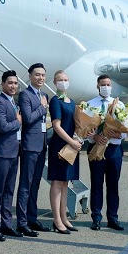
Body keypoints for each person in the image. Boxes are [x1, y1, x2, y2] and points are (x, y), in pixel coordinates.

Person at [86, 74, 125, 231]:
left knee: (113, 184)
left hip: (114, 149)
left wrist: (117, 134)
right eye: (103, 85)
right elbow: (84, 129)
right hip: (96, 147)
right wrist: (95, 136)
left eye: (108, 85)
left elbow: (126, 129)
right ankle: (96, 217)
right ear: (98, 86)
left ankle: (113, 218)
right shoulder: (90, 104)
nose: (106, 87)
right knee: (96, 184)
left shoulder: (119, 105)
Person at [0, 70, 22, 241]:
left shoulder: (13, 102)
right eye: (10, 83)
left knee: (9, 190)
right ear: (2, 84)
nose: (13, 86)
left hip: (14, 152)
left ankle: (6, 225)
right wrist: (18, 122)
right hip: (2, 154)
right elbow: (2, 127)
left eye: (15, 83)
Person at [16, 63, 49, 236]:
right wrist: (42, 108)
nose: (40, 78)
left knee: (35, 184)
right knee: (25, 185)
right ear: (30, 76)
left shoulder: (44, 95)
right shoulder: (25, 95)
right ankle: (22, 222)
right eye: (37, 75)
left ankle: (32, 218)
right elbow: (28, 119)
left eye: (43, 75)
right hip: (29, 146)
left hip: (41, 145)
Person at [47, 70, 82, 234]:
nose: (63, 82)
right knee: (56, 182)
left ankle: (64, 217)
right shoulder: (55, 101)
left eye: (66, 79)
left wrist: (80, 137)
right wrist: (71, 142)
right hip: (60, 146)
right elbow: (56, 126)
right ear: (55, 83)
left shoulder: (72, 102)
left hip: (71, 147)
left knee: (65, 182)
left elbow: (76, 124)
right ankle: (57, 220)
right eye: (60, 80)